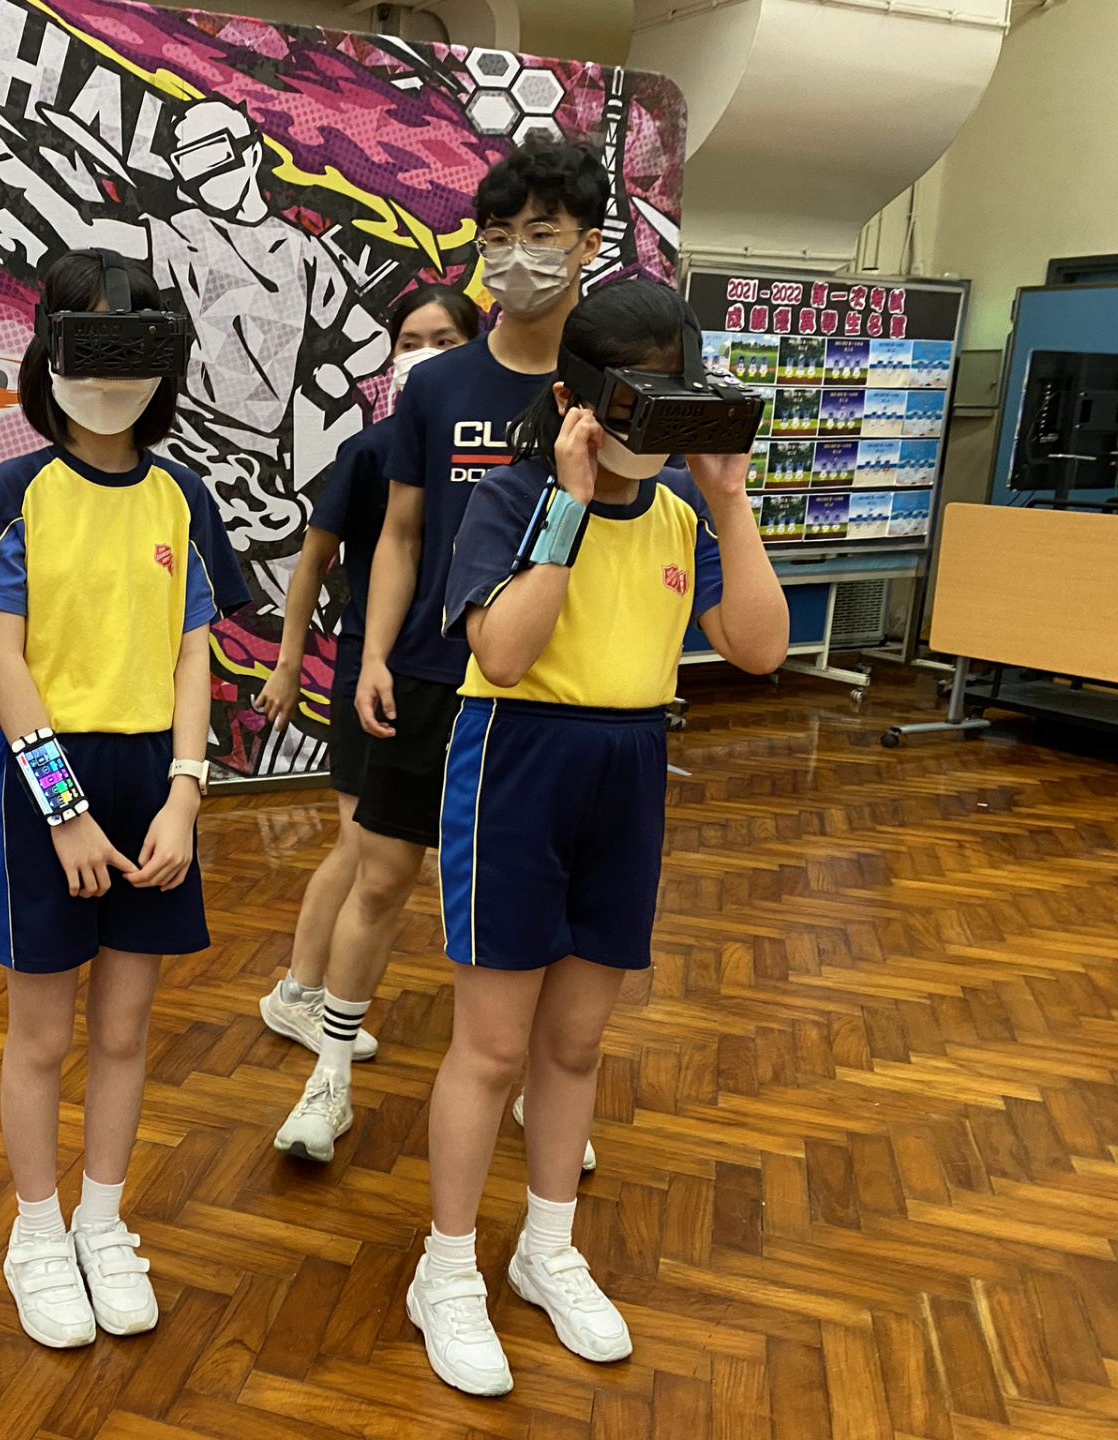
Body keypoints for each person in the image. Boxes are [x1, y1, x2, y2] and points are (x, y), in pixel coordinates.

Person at [408, 280, 788, 1395]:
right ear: (581, 398)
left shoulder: (680, 513)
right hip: (517, 761)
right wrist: (569, 506)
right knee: (492, 1047)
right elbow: (505, 653)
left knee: (573, 1043)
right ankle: (446, 1270)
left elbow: (761, 649)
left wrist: (729, 502)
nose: (656, 431)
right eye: (639, 404)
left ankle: (546, 1246)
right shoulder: (512, 494)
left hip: (628, 767)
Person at [272, 139, 609, 1161]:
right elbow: (402, 535)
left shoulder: (610, 383)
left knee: (551, 897)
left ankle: (543, 1088)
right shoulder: (437, 386)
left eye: (542, 233)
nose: (517, 255)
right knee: (379, 879)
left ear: (588, 244)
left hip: (560, 686)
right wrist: (374, 654)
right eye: (499, 236)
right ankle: (329, 1076)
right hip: (429, 673)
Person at [0, 252, 248, 1349]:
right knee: (41, 1033)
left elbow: (193, 654)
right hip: (45, 783)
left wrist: (185, 796)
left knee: (124, 1028)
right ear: (48, 351)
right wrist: (63, 809)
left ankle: (104, 1222)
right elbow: (1, 659)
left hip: (152, 782)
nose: (113, 370)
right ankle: (36, 1233)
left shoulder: (182, 496)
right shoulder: (14, 492)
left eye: (136, 342)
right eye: (90, 339)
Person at [255, 284, 481, 1059]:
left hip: (464, 676)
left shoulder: (498, 447)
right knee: (360, 846)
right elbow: (312, 565)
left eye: (444, 340)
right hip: (374, 672)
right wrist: (288, 666)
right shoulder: (372, 451)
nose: (426, 356)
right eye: (410, 342)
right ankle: (298, 993)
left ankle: (313, 991)